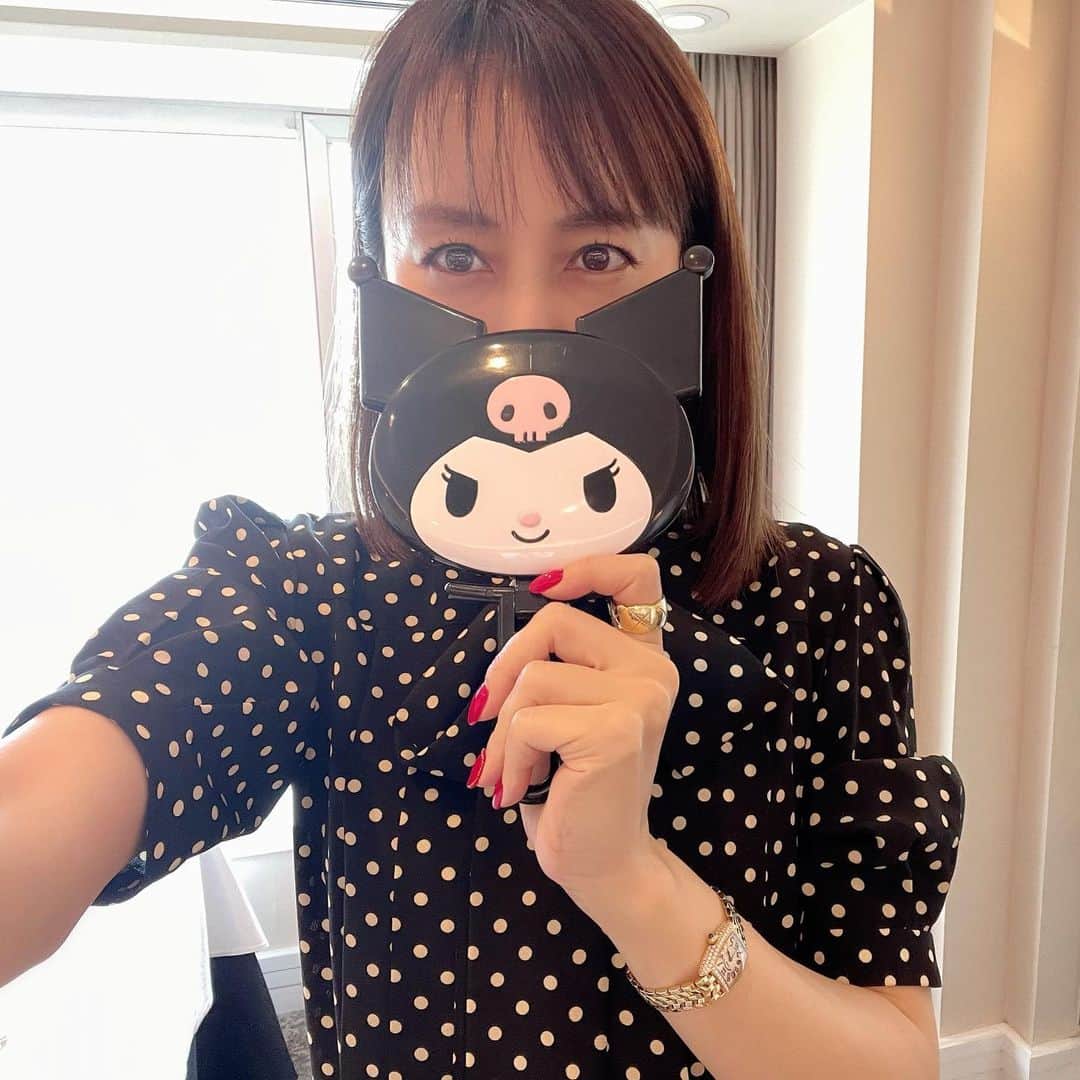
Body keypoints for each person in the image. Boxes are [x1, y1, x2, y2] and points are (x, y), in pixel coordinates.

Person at [0, 1, 965, 1077]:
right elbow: (61, 793)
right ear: (378, 279)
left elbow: (896, 1061)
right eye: (455, 252)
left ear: (690, 280)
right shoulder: (301, 594)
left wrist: (633, 881)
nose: (522, 332)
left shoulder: (818, 603)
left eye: (599, 251)